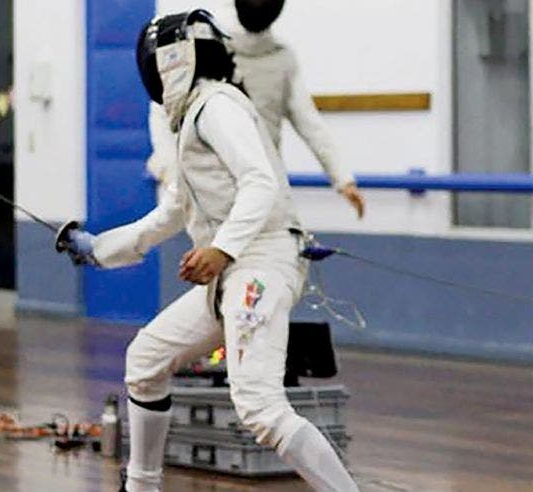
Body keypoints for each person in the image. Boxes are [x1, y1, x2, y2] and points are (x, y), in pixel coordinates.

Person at [58, 10, 359, 492]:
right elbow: (172, 210)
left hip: (260, 263)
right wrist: (100, 249)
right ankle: (142, 485)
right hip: (233, 270)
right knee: (146, 360)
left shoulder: (218, 106)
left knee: (260, 407)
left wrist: (220, 249)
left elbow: (259, 182)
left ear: (172, 61)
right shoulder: (192, 117)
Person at [146, 0, 365, 218]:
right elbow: (165, 109)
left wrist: (342, 178)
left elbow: (309, 123)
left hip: (262, 186)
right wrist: (170, 169)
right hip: (218, 187)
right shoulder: (207, 48)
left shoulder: (280, 57)